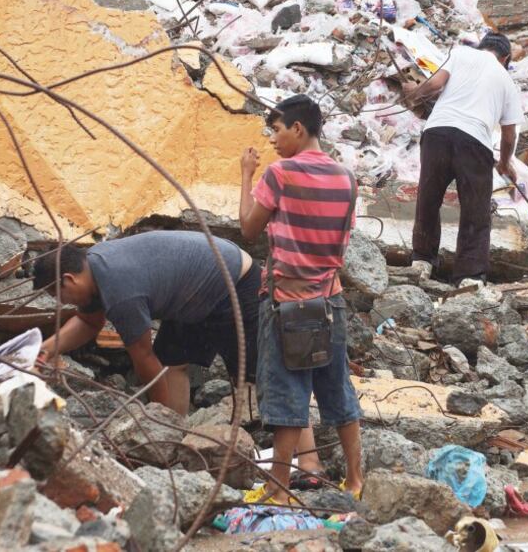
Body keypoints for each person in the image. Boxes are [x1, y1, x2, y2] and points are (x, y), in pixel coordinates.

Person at [32, 231, 327, 483]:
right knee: (172, 359)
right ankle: (175, 443)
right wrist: (44, 350)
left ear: (69, 280)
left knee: (267, 373)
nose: (63, 304)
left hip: (235, 282)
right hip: (191, 293)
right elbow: (88, 323)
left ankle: (309, 464)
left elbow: (144, 360)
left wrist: (155, 421)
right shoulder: (94, 269)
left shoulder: (120, 290)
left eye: (60, 297)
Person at [239, 94, 364, 503]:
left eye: (276, 130)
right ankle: (356, 482)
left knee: (285, 391)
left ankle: (277, 487)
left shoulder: (280, 174)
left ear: (297, 128)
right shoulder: (347, 178)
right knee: (336, 387)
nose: (273, 139)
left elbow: (248, 229)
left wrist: (246, 175)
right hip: (331, 299)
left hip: (285, 302)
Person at [402, 33, 523, 288]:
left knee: (429, 198)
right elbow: (509, 135)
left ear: (482, 47)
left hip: (437, 133)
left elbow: (435, 84)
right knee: (475, 211)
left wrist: (414, 93)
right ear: (505, 58)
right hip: (475, 142)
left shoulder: (460, 53)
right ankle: (469, 276)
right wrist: (504, 163)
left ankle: (422, 262)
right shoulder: (507, 82)